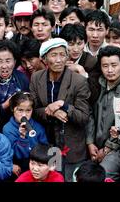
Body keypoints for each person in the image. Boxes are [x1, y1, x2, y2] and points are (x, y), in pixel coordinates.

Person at [29, 38, 90, 181]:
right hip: (47, 142)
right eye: (53, 55)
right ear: (44, 59)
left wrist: (65, 105)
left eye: (62, 55)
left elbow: (83, 117)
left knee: (69, 178)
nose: (58, 60)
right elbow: (34, 110)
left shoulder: (78, 81)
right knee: (50, 178)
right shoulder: (36, 78)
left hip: (71, 144)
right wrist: (52, 111)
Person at [86, 46, 120, 181]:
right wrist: (90, 142)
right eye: (105, 66)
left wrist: (107, 148)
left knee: (104, 175)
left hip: (117, 148)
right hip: (94, 145)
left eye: (114, 65)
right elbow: (90, 114)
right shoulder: (97, 84)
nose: (109, 70)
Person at [0, 40, 30, 129]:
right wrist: (6, 104)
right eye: (0, 61)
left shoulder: (22, 78)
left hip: (19, 127)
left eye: (8, 61)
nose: (4, 66)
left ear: (15, 61)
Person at [2, 91, 48, 177]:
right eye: (20, 110)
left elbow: (45, 148)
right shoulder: (8, 129)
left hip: (37, 166)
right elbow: (15, 154)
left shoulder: (38, 127)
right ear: (12, 109)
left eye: (28, 110)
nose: (24, 114)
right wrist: (22, 137)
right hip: (19, 167)